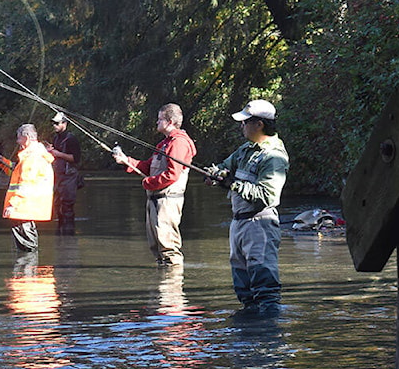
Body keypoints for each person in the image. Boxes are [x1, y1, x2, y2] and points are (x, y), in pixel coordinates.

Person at [204, 99, 289, 315]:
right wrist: (216, 174)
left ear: (259, 124)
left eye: (245, 122)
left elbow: (267, 196)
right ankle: (248, 333)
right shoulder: (245, 150)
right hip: (239, 223)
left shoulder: (274, 157)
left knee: (264, 286)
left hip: (260, 224)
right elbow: (224, 166)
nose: (241, 126)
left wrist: (231, 183)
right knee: (243, 286)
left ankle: (268, 334)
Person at [112, 103, 197, 266]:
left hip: (168, 201)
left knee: (168, 248)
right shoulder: (164, 144)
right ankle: (162, 286)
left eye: (160, 119)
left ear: (170, 121)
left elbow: (172, 174)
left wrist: (148, 183)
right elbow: (147, 167)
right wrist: (126, 160)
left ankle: (173, 287)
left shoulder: (178, 143)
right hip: (156, 200)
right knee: (156, 247)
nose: (157, 122)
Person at [0, 123, 55, 252]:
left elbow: (26, 183)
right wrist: (3, 163)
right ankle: (27, 269)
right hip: (27, 205)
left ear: (26, 138)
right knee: (26, 244)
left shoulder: (32, 157)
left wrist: (13, 204)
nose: (18, 142)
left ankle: (28, 270)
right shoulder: (33, 154)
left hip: (24, 206)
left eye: (19, 138)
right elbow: (17, 174)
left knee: (27, 246)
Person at [46, 112, 82, 235]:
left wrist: (58, 154)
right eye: (53, 123)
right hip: (58, 176)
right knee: (57, 206)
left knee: (67, 206)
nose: (54, 126)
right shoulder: (55, 138)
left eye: (57, 123)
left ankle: (69, 235)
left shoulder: (72, 139)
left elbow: (76, 159)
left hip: (69, 177)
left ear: (64, 123)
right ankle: (60, 235)